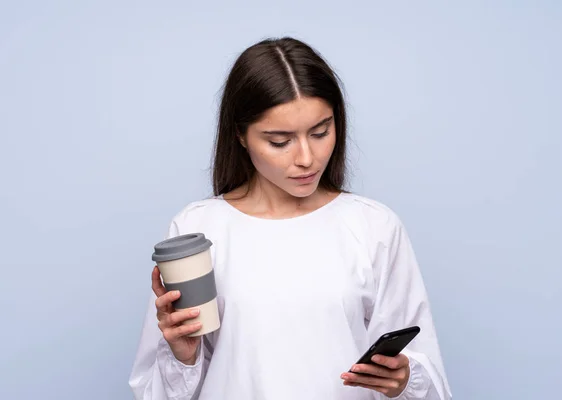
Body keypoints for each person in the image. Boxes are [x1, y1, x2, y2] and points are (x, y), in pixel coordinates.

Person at [129, 37, 452, 400]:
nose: (307, 158)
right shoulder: (197, 230)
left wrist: (406, 379)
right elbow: (153, 393)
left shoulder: (373, 226)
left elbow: (431, 381)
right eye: (280, 141)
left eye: (320, 132)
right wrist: (183, 357)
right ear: (240, 135)